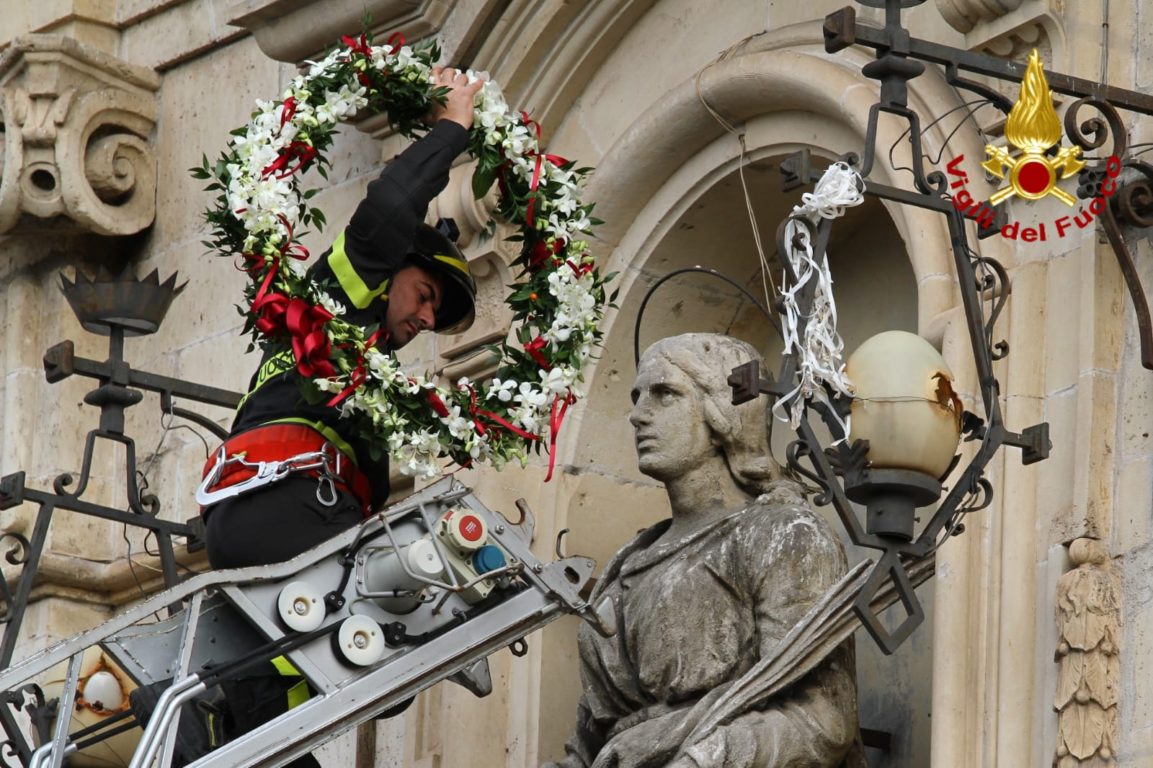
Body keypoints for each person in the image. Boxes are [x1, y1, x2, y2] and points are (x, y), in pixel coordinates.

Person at [130, 67, 486, 767]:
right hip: (294, 504)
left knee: (280, 707)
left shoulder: (345, 362)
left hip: (250, 513)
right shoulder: (340, 296)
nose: (423, 319)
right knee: (370, 648)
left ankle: (198, 711)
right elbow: (388, 209)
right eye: (421, 296)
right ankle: (447, 626)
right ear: (388, 274)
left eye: (435, 316)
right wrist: (451, 129)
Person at [547, 334, 861, 768]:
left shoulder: (782, 535)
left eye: (665, 395)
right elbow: (591, 743)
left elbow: (823, 719)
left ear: (724, 414)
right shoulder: (628, 561)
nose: (637, 416)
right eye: (637, 397)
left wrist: (700, 759)